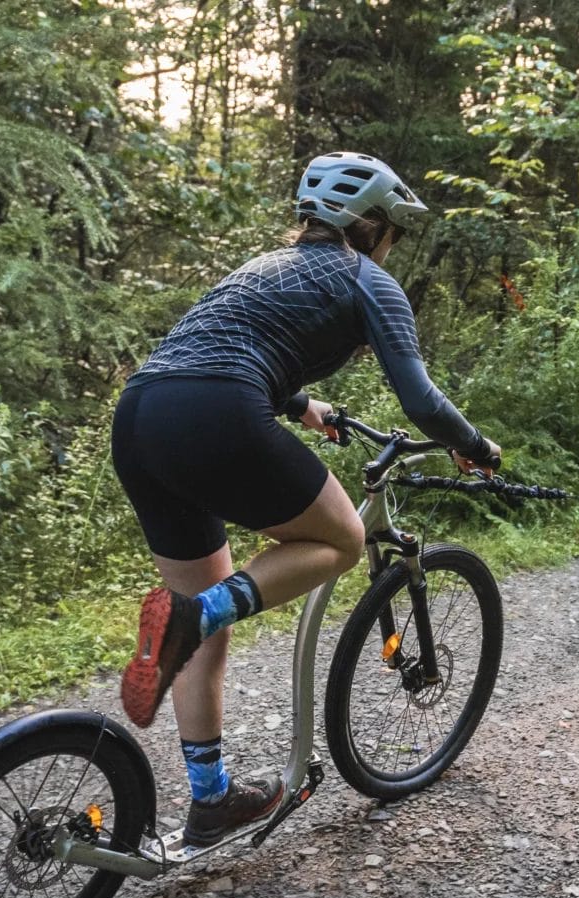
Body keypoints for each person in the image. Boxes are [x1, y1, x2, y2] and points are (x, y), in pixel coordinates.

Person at [111, 151, 501, 847]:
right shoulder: (367, 279)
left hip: (142, 415)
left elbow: (218, 342)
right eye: (394, 233)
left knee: (207, 630)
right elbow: (421, 400)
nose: (393, 247)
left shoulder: (261, 267)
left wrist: (297, 404)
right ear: (372, 225)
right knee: (344, 540)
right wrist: (475, 444)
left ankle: (211, 799)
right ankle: (193, 616)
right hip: (216, 410)